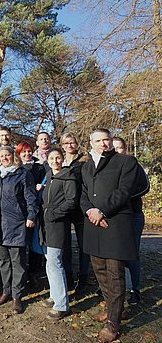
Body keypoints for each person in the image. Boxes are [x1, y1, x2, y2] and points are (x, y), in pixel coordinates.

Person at [80, 128, 139, 342]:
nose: (103, 144)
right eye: (98, 140)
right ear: (91, 142)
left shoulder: (126, 162)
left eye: (106, 140)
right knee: (100, 271)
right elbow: (84, 194)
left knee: (115, 273)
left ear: (111, 141)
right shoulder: (86, 167)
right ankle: (115, 309)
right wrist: (90, 211)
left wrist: (101, 211)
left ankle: (113, 323)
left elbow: (123, 192)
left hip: (115, 224)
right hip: (93, 225)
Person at [0, 146, 38, 314]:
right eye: (1, 156)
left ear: (13, 156)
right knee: (3, 261)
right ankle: (6, 291)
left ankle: (17, 296)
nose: (4, 158)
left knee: (17, 262)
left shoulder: (23, 174)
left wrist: (31, 215)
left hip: (16, 224)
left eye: (7, 155)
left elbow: (31, 197)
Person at [40, 148, 77, 320]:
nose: (55, 160)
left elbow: (71, 200)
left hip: (57, 223)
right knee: (50, 262)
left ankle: (62, 305)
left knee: (55, 262)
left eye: (58, 158)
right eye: (52, 158)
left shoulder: (67, 176)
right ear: (47, 160)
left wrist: (54, 214)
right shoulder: (49, 175)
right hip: (46, 224)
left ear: (62, 159)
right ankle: (55, 295)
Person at [112, 137, 150, 304]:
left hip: (133, 215)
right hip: (113, 216)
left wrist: (122, 200)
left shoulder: (134, 165)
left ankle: (134, 289)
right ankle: (118, 287)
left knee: (132, 254)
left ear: (125, 149)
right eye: (114, 148)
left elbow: (145, 187)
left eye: (120, 148)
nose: (117, 151)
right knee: (114, 254)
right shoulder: (108, 167)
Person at [60, 132, 91, 291]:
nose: (69, 146)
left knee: (83, 245)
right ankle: (68, 277)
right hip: (64, 209)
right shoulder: (58, 160)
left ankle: (83, 278)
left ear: (77, 143)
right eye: (66, 143)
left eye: (72, 142)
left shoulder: (85, 161)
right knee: (64, 245)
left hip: (80, 208)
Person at [16, 142, 46, 288]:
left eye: (29, 151)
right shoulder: (16, 169)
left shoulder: (39, 167)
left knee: (35, 243)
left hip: (35, 210)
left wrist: (41, 186)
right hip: (19, 211)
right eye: (24, 152)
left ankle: (33, 273)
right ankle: (21, 274)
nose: (27, 154)